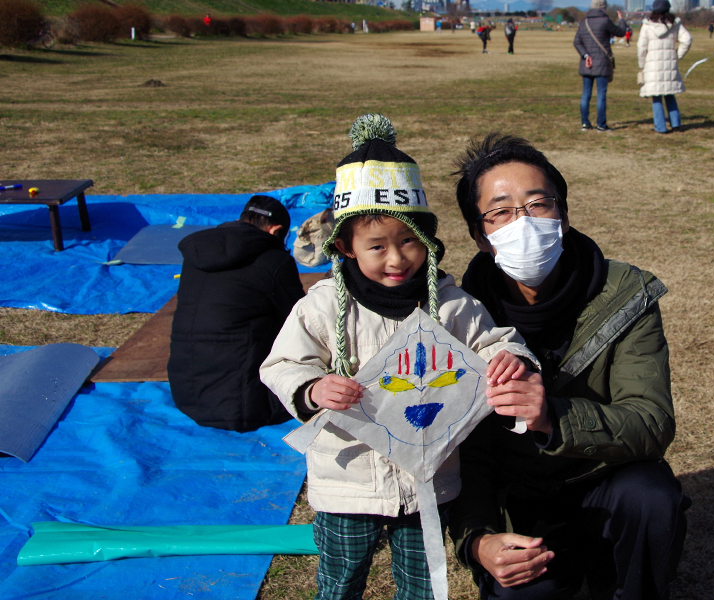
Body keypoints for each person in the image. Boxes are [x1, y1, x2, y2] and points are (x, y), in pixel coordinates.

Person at [259, 115, 537, 600]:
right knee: (340, 582)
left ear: (427, 238)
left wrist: (511, 357)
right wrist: (312, 389)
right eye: (377, 246)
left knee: (423, 585)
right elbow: (282, 366)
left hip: (428, 480)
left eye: (409, 240)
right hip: (347, 482)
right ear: (344, 247)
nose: (396, 258)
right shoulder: (322, 306)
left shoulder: (451, 304)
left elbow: (497, 341)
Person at [448, 132, 689, 600]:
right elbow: (461, 453)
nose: (523, 222)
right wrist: (476, 541)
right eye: (500, 212)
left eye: (539, 203)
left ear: (562, 213)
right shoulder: (457, 314)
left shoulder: (624, 293)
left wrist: (551, 417)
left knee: (650, 497)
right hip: (517, 503)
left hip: (605, 477)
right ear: (480, 237)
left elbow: (651, 422)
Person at [168, 195, 304, 432]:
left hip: (187, 395)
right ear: (276, 231)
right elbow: (302, 321)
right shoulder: (275, 261)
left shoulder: (196, 257)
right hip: (248, 406)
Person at [637, 0, 692, 134]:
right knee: (669, 93)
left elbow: (641, 47)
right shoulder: (675, 24)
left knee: (656, 96)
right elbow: (687, 39)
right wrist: (678, 54)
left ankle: (660, 126)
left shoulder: (647, 25)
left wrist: (642, 64)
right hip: (669, 63)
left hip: (652, 64)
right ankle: (676, 124)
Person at [573, 0, 627, 132]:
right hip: (602, 62)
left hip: (587, 64)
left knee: (586, 94)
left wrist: (585, 55)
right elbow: (621, 32)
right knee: (601, 95)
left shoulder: (584, 22)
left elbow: (577, 42)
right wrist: (621, 20)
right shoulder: (605, 20)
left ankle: (585, 123)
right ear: (604, 7)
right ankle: (601, 124)